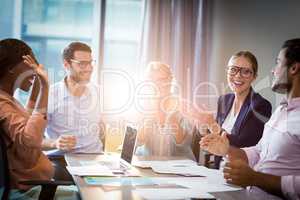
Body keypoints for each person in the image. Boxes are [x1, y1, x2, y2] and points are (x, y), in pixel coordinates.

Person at [200, 39, 300, 199]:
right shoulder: (281, 110)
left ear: (294, 68)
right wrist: (225, 150)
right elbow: (259, 151)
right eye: (233, 70)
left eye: (278, 63)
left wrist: (255, 178)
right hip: (240, 187)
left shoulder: (261, 106)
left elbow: (247, 142)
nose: (273, 71)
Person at [0, 38, 53, 198]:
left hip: (34, 187)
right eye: (31, 62)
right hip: (26, 192)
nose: (36, 67)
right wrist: (45, 87)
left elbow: (28, 120)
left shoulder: (7, 99)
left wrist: (37, 86)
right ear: (11, 68)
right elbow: (30, 138)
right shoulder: (2, 103)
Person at [201, 51, 272, 168]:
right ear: (227, 72)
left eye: (245, 72)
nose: (238, 75)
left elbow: (244, 144)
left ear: (254, 77)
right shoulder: (224, 100)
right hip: (218, 171)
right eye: (233, 69)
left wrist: (212, 124)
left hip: (241, 174)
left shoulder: (261, 105)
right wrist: (202, 124)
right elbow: (215, 139)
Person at [43, 42, 105, 155]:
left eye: (90, 63)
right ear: (66, 65)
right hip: (61, 159)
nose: (89, 68)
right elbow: (32, 140)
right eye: (82, 64)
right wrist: (55, 143)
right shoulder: (49, 95)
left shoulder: (99, 93)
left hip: (95, 157)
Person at [135, 62, 195, 159]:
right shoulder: (141, 105)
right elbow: (137, 141)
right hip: (147, 163)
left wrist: (171, 117)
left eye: (162, 80)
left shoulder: (183, 105)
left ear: (171, 80)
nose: (158, 85)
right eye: (153, 80)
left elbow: (183, 142)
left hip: (179, 165)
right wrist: (151, 116)